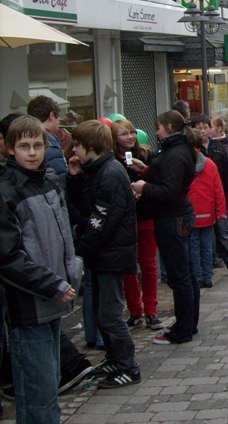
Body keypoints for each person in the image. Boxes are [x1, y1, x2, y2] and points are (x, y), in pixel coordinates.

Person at [0, 116, 79, 422]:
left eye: (36, 145)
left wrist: (72, 270)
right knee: (39, 393)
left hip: (54, 299)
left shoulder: (49, 181)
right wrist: (53, 283)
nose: (31, 152)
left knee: (46, 388)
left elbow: (63, 233)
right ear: (10, 150)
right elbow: (8, 257)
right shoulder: (7, 191)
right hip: (29, 304)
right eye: (24, 146)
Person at [66, 121, 140, 388]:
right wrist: (74, 177)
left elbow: (102, 219)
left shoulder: (109, 173)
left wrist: (82, 247)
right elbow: (84, 207)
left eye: (77, 145)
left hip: (112, 254)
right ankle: (114, 358)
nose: (74, 149)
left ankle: (128, 366)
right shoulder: (97, 170)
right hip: (105, 254)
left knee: (110, 314)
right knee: (102, 313)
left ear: (90, 146)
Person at [131, 111, 200, 345]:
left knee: (180, 276)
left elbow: (169, 191)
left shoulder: (176, 152)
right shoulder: (178, 149)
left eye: (158, 127)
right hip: (177, 216)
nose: (156, 132)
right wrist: (148, 170)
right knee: (186, 274)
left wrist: (143, 187)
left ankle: (183, 329)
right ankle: (188, 323)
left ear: (169, 127)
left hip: (172, 218)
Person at [111, 119, 164, 331]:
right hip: (124, 220)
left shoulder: (145, 155)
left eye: (132, 132)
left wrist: (144, 178)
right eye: (124, 134)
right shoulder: (112, 159)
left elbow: (157, 181)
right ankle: (135, 310)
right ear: (115, 138)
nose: (130, 137)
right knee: (129, 267)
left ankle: (151, 310)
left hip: (145, 215)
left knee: (149, 264)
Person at [187, 132, 226, 288]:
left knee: (194, 246)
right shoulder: (209, 164)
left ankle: (197, 277)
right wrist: (221, 210)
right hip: (208, 212)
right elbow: (218, 189)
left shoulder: (185, 164)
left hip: (191, 212)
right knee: (207, 245)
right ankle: (208, 276)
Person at [26, 96, 67, 181]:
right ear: (51, 115)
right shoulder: (49, 140)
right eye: (58, 119)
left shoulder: (25, 138)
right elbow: (60, 177)